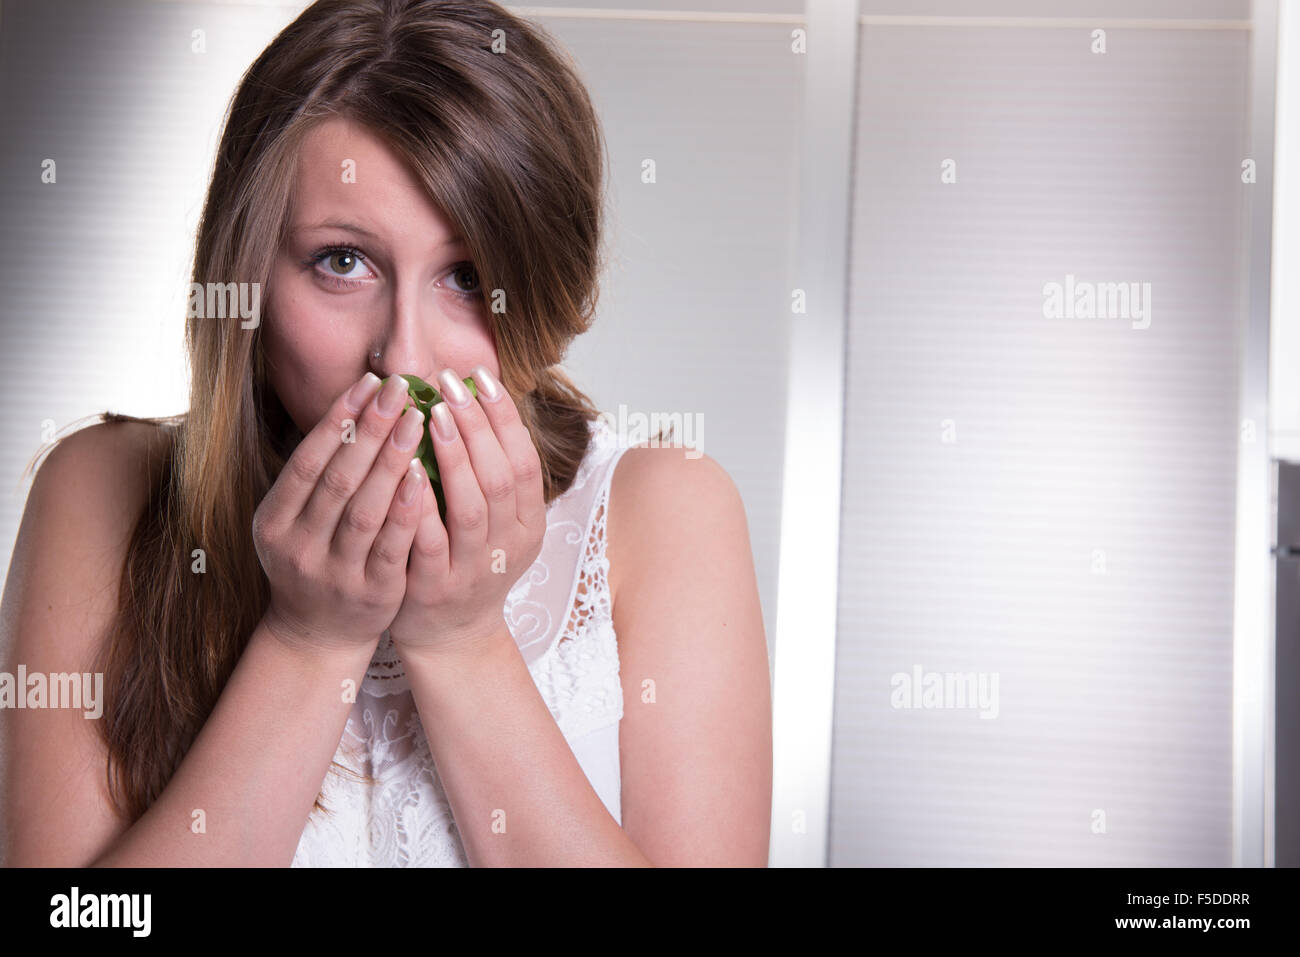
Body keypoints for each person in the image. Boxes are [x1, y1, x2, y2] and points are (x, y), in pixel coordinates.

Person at [0, 0, 771, 867]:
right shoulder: (99, 489)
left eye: (468, 276)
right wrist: (308, 642)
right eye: (342, 261)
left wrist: (462, 641)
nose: (401, 355)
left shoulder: (665, 510)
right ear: (246, 273)